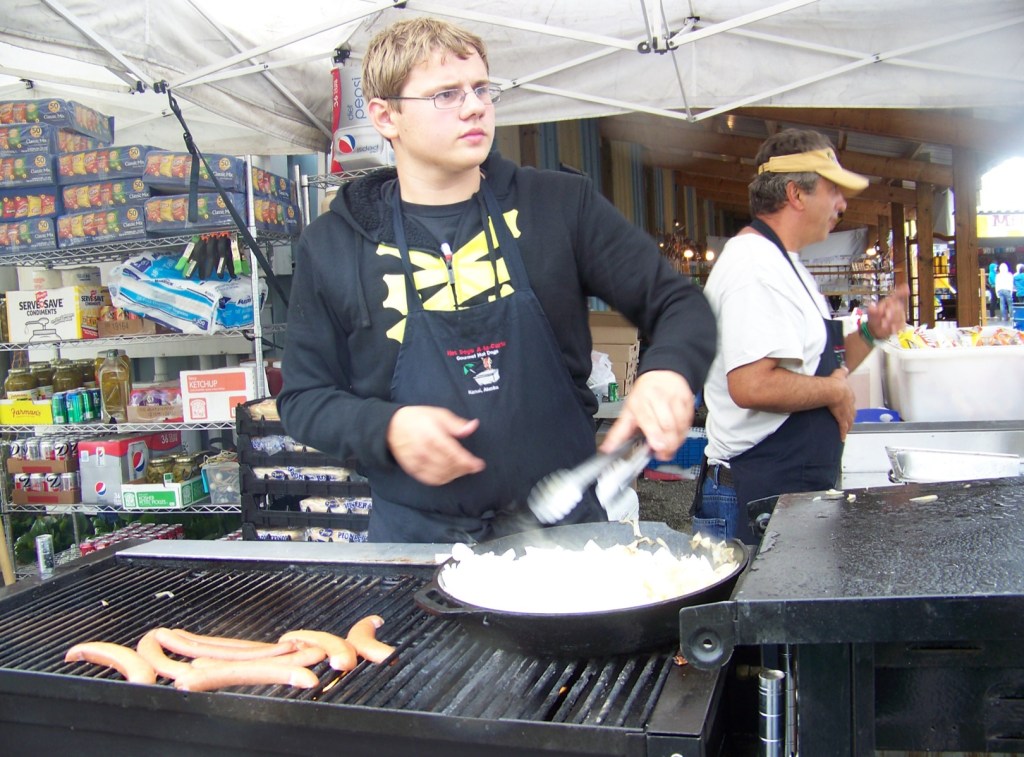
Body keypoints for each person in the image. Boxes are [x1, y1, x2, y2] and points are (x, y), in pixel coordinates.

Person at [278, 17, 716, 543]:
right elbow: (304, 398)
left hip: (565, 535)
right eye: (445, 95)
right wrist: (386, 429)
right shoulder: (334, 244)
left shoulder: (557, 207)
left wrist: (668, 371)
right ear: (386, 115)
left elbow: (678, 304)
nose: (474, 106)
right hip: (417, 544)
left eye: (481, 89)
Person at [692, 128, 909, 545]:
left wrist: (871, 331)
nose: (842, 205)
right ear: (795, 194)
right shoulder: (753, 267)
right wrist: (832, 392)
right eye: (833, 190)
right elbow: (751, 384)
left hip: (784, 493)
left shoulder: (784, 263)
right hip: (754, 499)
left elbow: (825, 362)